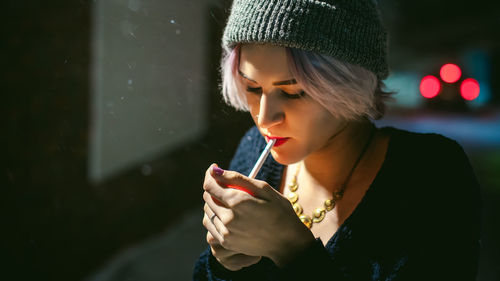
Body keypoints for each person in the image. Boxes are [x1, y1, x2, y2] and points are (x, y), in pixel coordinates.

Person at [193, 0, 481, 280]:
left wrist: (293, 250)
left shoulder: (433, 174)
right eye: (253, 88)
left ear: (347, 82)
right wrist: (223, 266)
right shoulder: (256, 149)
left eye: (293, 92)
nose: (265, 119)